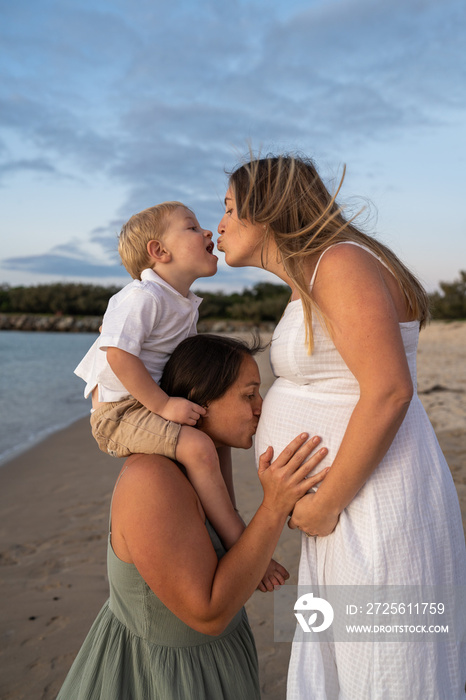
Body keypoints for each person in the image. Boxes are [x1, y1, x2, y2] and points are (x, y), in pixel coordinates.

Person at [217, 153, 466, 699]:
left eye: (230, 208)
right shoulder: (315, 275)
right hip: (344, 505)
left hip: (371, 507)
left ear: (268, 208)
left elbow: (390, 390)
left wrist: (325, 502)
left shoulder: (339, 261)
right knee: (341, 671)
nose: (220, 224)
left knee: (387, 674)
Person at [57, 333, 330, 700]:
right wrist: (274, 506)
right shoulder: (151, 480)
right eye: (248, 394)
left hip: (215, 661)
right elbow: (208, 614)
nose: (260, 407)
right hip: (159, 676)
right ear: (199, 401)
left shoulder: (211, 459)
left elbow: (234, 555)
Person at [75, 202, 246, 552]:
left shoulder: (178, 301)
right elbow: (119, 355)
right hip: (120, 414)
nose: (208, 232)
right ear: (159, 251)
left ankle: (225, 512)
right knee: (198, 446)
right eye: (192, 228)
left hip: (144, 403)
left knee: (219, 434)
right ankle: (236, 537)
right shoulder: (143, 295)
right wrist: (165, 404)